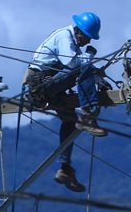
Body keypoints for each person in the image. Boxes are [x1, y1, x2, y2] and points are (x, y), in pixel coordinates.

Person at [23, 12, 108, 193]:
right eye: (88, 37)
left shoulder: (72, 42)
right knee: (81, 67)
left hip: (50, 85)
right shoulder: (64, 36)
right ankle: (87, 115)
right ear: (79, 32)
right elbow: (72, 65)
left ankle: (65, 168)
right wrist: (90, 56)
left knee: (69, 121)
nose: (88, 42)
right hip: (40, 84)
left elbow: (77, 66)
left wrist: (96, 75)